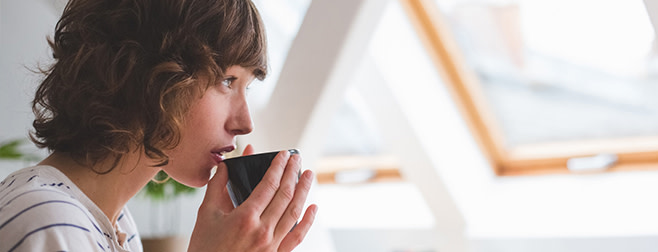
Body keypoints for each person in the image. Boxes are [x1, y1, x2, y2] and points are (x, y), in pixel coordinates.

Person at [0, 0, 317, 251]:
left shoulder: (115, 224)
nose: (245, 123)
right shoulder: (47, 224)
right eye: (226, 80)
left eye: (246, 88)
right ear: (149, 74)